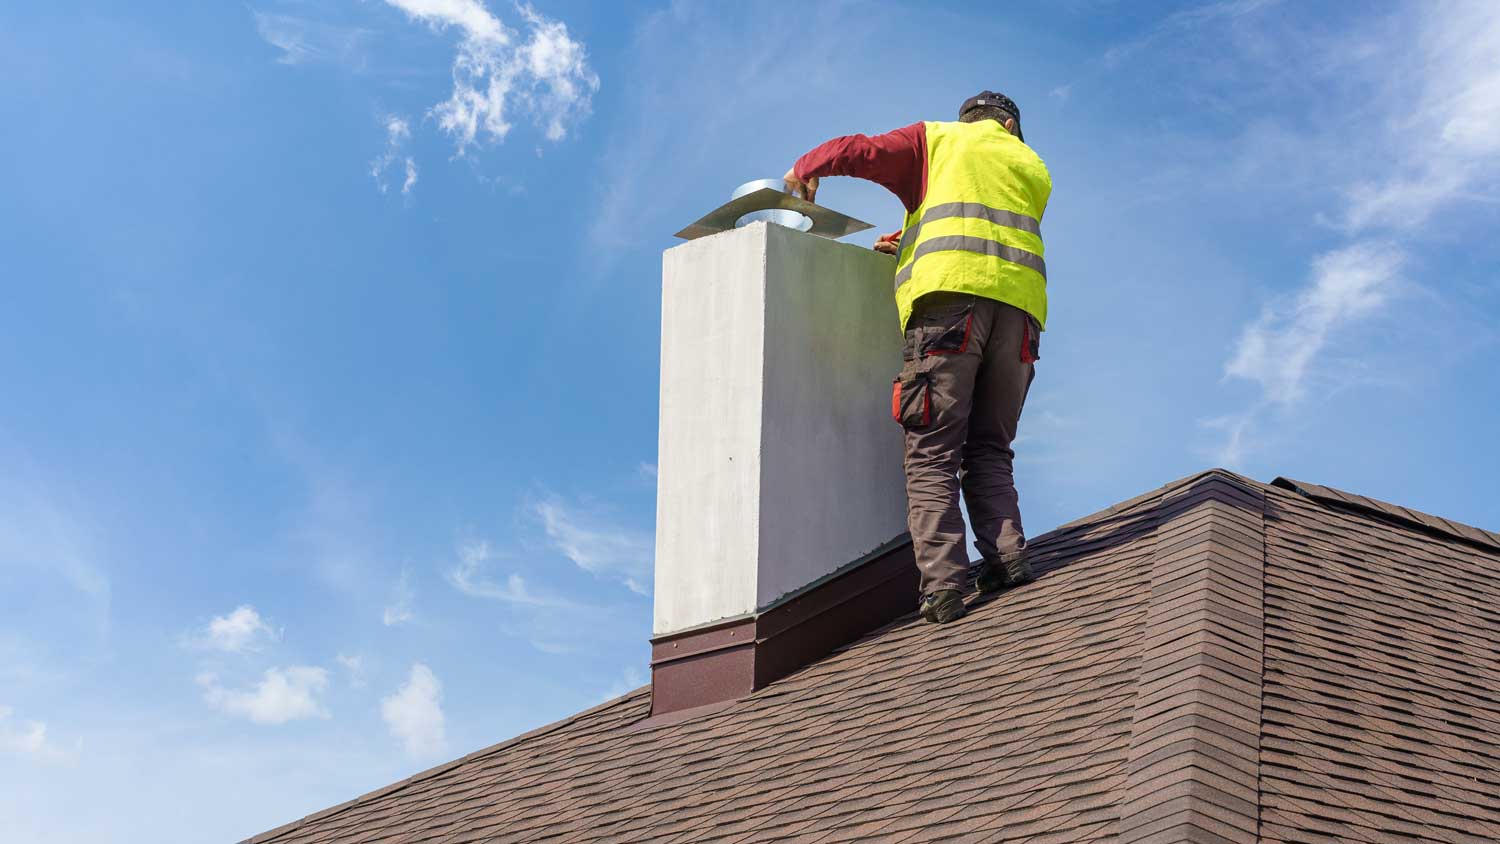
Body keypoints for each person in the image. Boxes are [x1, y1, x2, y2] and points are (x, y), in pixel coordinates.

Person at [784, 91, 1052, 624]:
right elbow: (981, 227)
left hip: (949, 311)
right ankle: (1008, 558)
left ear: (970, 120)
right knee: (991, 446)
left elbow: (858, 150)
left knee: (932, 450)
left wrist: (802, 167)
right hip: (1020, 318)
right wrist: (908, 238)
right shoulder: (1030, 165)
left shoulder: (938, 139)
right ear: (1009, 125)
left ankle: (945, 587)